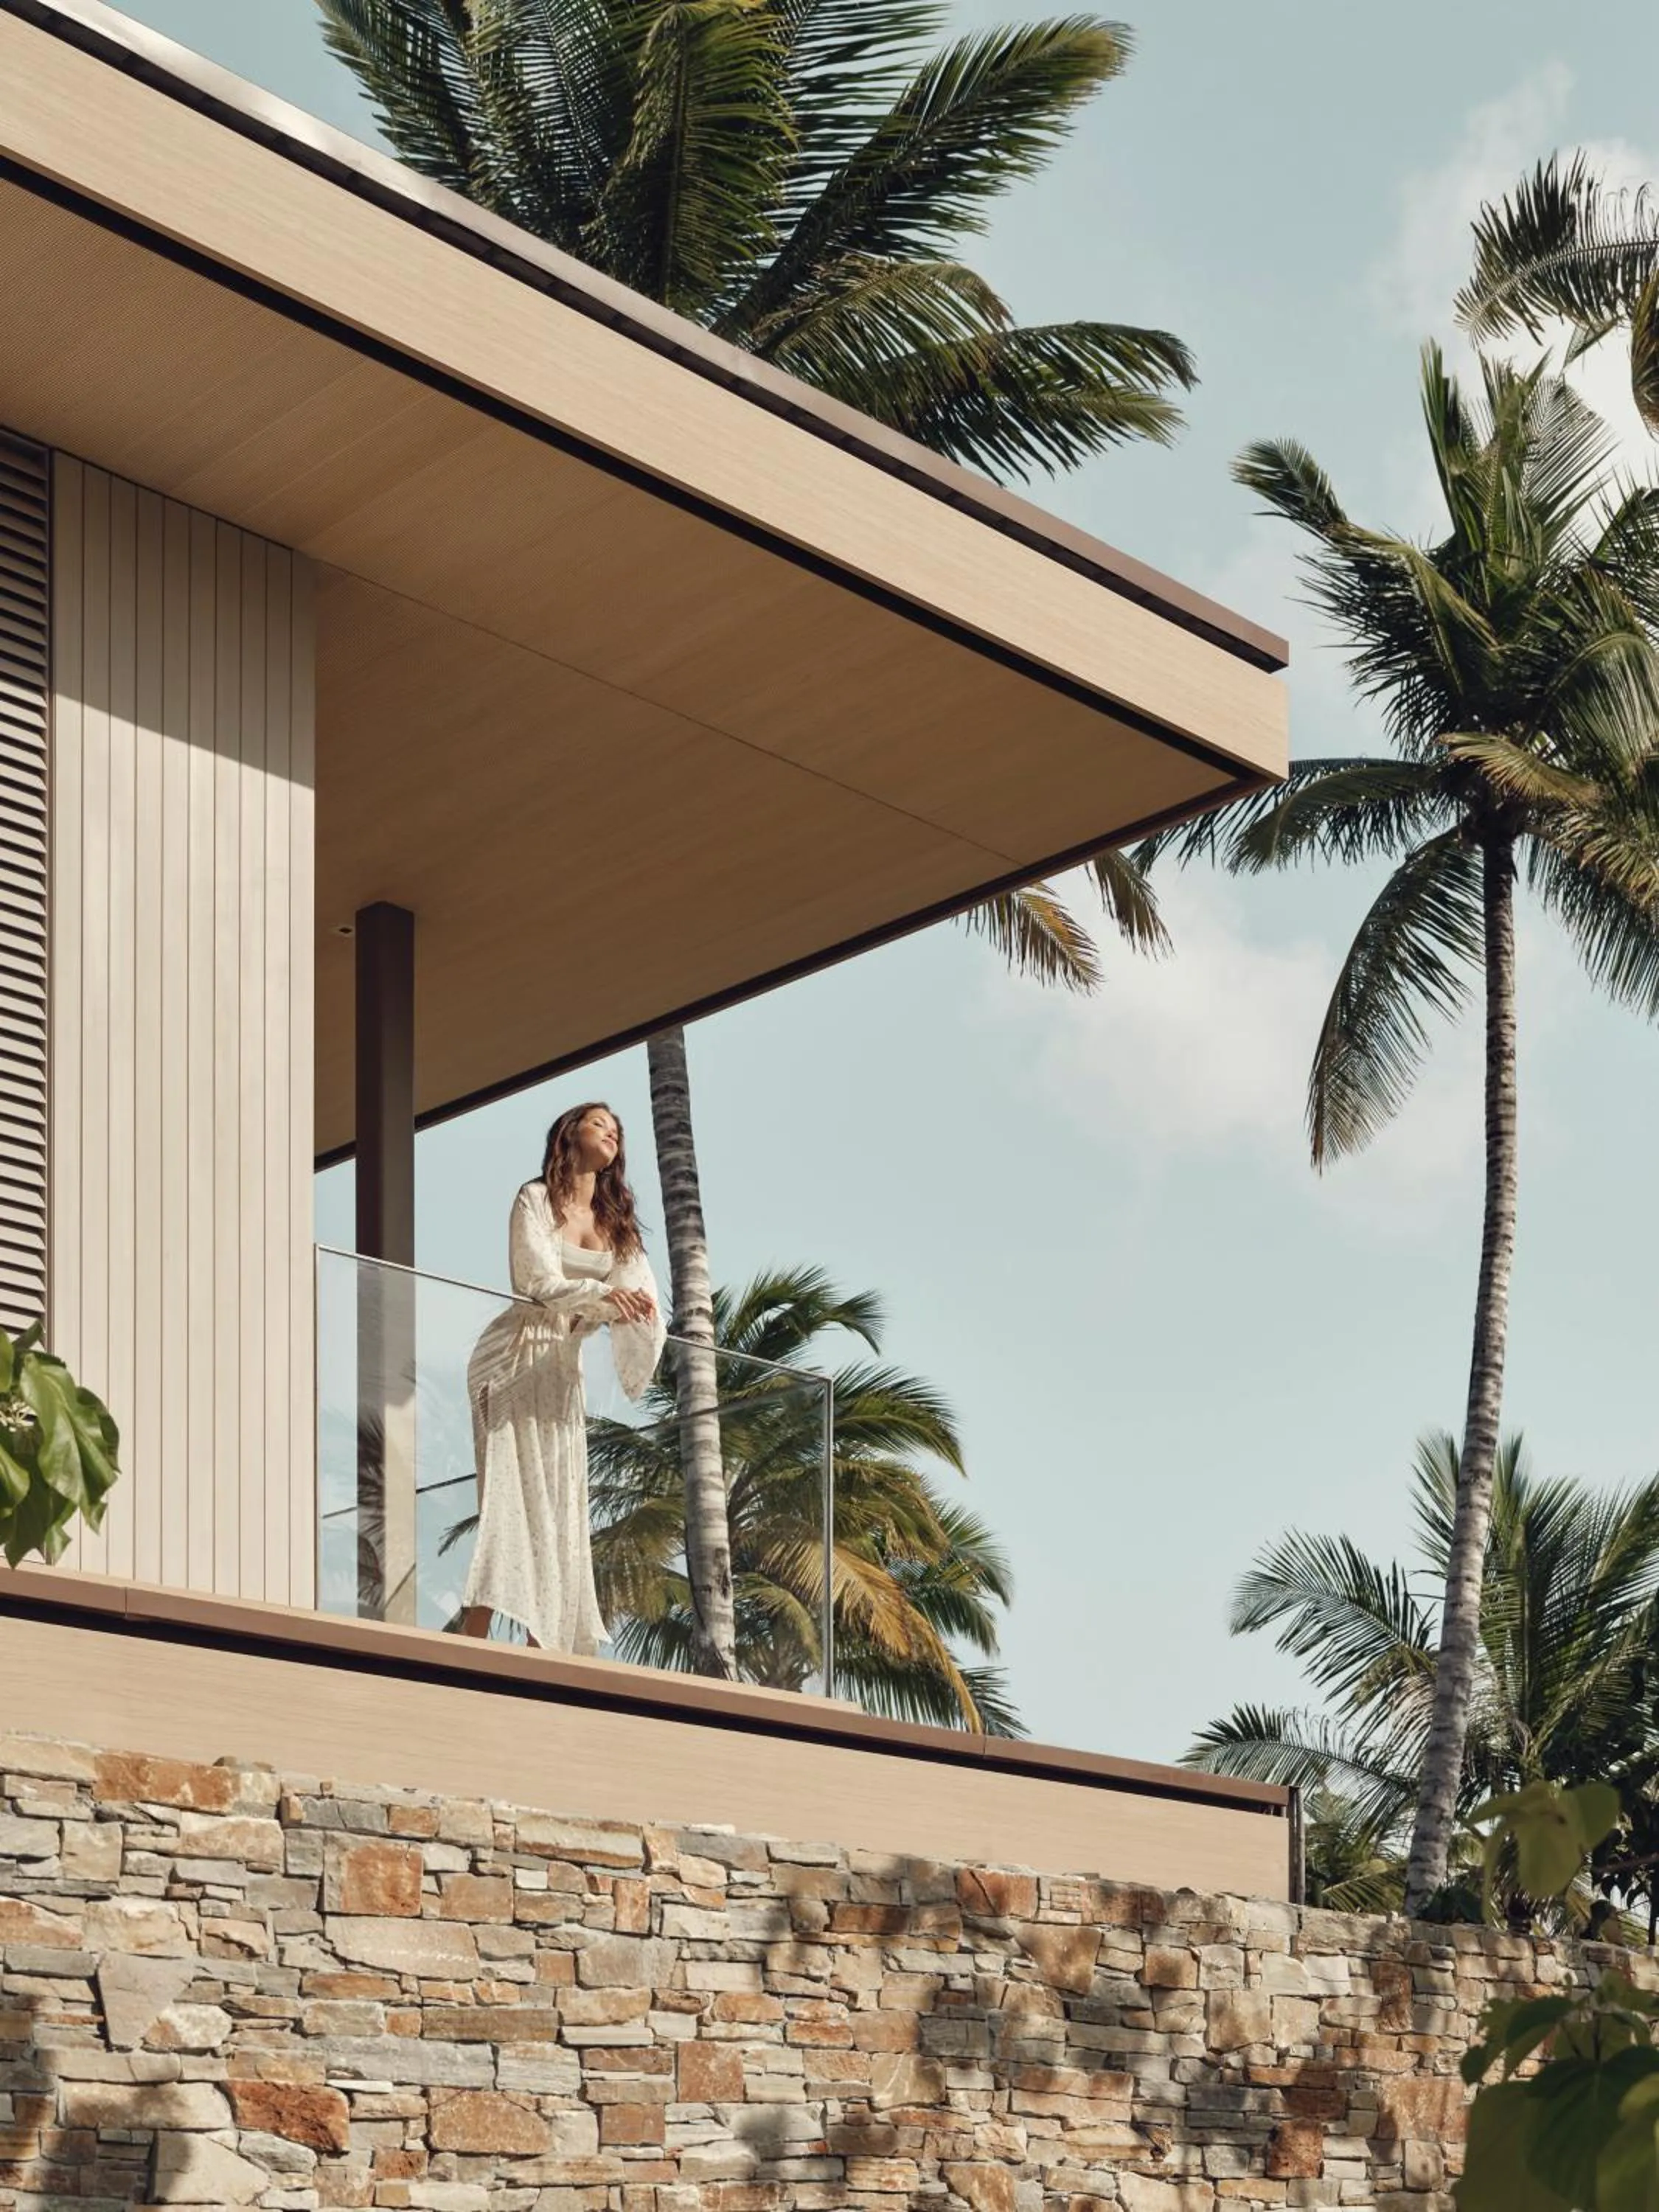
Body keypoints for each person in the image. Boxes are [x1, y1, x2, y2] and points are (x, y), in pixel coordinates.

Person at [458, 1102, 664, 1652]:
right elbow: (536, 1280)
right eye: (600, 1124)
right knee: (509, 1496)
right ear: (570, 1133)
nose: (611, 1133)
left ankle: (541, 1648)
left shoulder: (615, 1221)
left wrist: (630, 1311)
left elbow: (641, 1293)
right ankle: (471, 1640)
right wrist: (604, 1298)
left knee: (560, 1502)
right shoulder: (535, 1198)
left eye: (617, 1130)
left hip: (564, 1367)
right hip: (514, 1353)